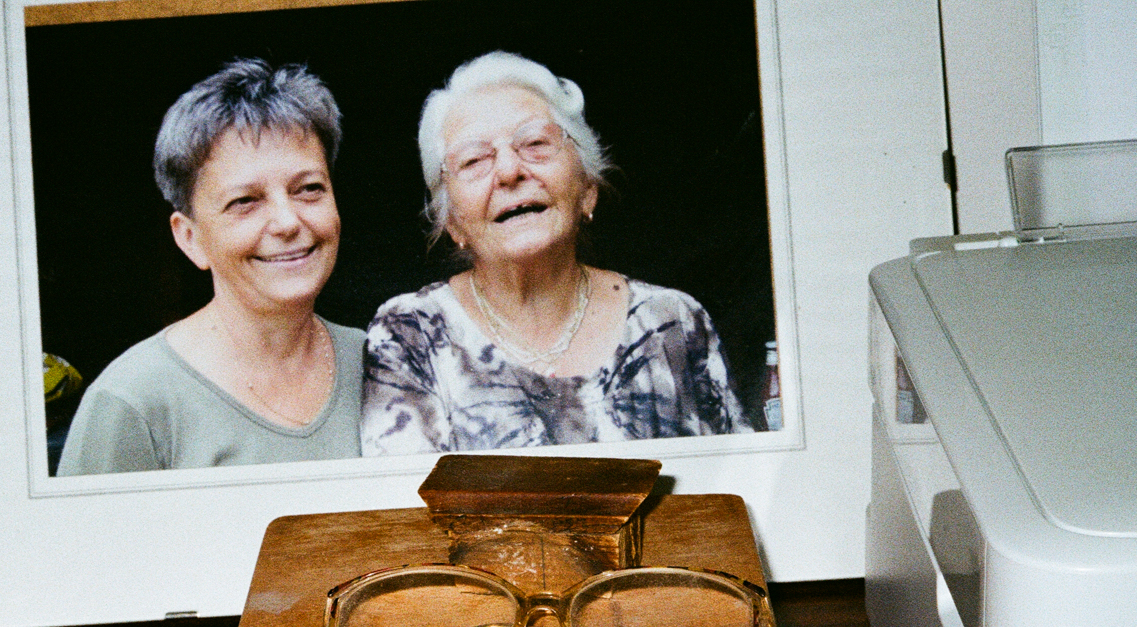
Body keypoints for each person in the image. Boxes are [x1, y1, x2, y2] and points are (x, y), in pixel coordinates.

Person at [360, 51, 751, 455]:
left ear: (588, 186)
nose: (510, 171)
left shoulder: (673, 323)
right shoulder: (410, 334)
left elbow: (737, 487)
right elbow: (402, 510)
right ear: (452, 222)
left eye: (535, 143)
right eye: (474, 160)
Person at [57, 60, 363, 475]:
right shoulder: (133, 401)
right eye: (245, 201)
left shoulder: (385, 363)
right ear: (190, 238)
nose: (288, 222)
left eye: (309, 189)